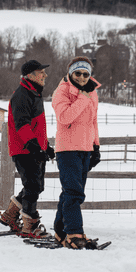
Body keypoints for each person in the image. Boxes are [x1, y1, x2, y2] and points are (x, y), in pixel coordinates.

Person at [0, 59, 56, 237]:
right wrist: (33, 146)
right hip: (24, 149)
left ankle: (11, 215)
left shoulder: (34, 94)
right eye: (41, 72)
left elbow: (37, 126)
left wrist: (45, 147)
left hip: (33, 148)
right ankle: (30, 225)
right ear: (31, 75)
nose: (45, 75)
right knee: (32, 186)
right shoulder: (22, 95)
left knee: (36, 186)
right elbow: (22, 124)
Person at [51, 56, 101, 249]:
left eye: (86, 74)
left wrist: (95, 146)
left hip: (85, 148)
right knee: (74, 193)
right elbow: (64, 117)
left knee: (69, 192)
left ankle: (60, 231)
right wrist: (82, 97)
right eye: (78, 73)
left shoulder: (91, 92)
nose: (81, 78)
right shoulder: (62, 92)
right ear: (71, 72)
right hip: (68, 149)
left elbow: (93, 121)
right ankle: (74, 232)